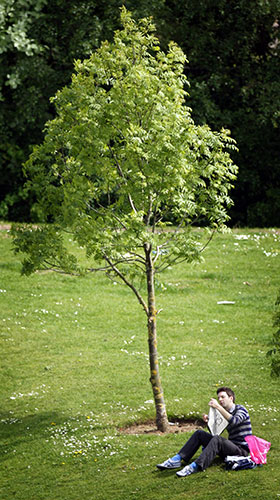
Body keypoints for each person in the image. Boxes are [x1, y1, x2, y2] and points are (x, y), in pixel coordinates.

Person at [156, 386, 252, 477]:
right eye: (218, 398)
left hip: (241, 451)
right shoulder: (224, 413)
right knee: (200, 434)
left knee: (217, 439)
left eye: (223, 397)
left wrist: (218, 407)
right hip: (231, 448)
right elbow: (215, 432)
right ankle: (177, 459)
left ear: (231, 398)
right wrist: (210, 421)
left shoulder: (241, 409)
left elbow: (234, 421)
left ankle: (195, 466)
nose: (220, 400)